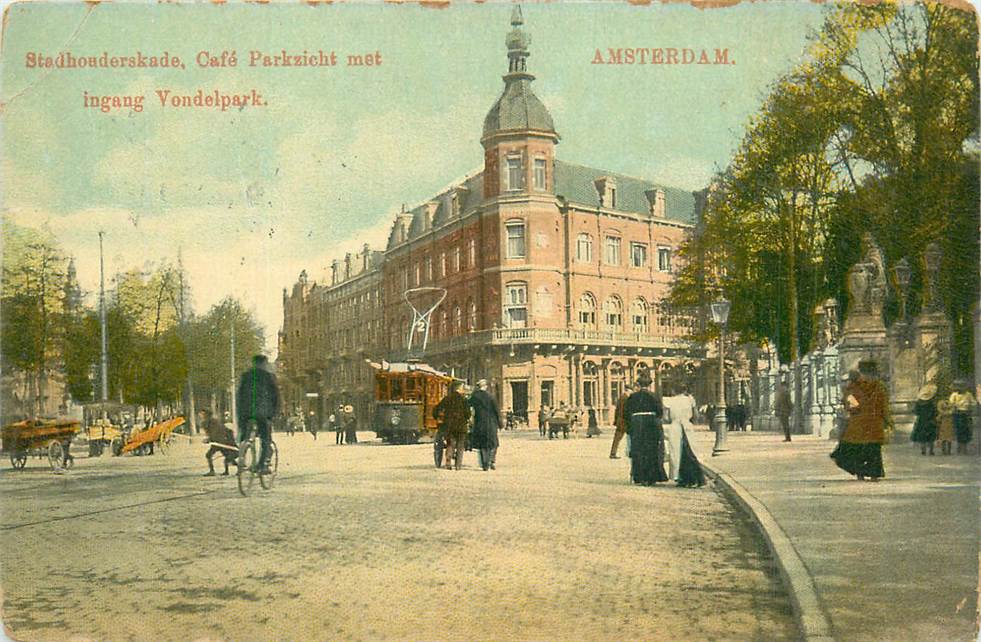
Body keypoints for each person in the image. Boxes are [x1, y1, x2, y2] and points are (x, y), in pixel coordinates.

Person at [830, 359, 888, 481]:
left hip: (859, 423)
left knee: (857, 449)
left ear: (861, 371)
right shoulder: (879, 387)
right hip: (874, 423)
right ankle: (874, 474)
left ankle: (860, 473)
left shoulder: (854, 387)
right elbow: (884, 406)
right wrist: (886, 420)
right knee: (874, 450)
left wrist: (850, 406)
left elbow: (852, 406)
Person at [236, 354, 280, 474]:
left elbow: (239, 395)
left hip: (246, 413)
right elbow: (275, 396)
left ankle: (242, 454)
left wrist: (240, 415)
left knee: (244, 435)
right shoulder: (269, 377)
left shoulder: (246, 376)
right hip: (263, 414)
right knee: (265, 439)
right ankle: (262, 465)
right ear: (264, 364)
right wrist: (274, 414)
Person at [624, 370, 669, 485]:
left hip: (637, 423)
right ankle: (651, 476)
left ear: (638, 385)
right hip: (651, 424)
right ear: (649, 385)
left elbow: (627, 413)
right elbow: (659, 412)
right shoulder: (654, 396)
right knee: (651, 449)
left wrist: (629, 428)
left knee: (638, 449)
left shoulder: (632, 397)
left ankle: (639, 476)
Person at [662, 383, 705, 488]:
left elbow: (666, 418)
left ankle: (681, 477)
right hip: (687, 426)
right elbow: (696, 416)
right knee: (690, 451)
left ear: (674, 390)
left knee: (676, 453)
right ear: (684, 390)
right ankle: (694, 477)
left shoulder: (669, 401)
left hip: (675, 427)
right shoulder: (690, 400)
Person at [434, 380, 471, 470]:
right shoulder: (464, 400)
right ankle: (458, 465)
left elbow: (436, 409)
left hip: (449, 426)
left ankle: (448, 463)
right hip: (461, 426)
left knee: (450, 444)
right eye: (462, 388)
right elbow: (468, 414)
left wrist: (438, 417)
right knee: (460, 445)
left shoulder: (447, 398)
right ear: (459, 388)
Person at [469, 379, 501, 471]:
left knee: (482, 444)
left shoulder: (474, 396)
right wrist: (500, 423)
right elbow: (497, 411)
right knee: (493, 443)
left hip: (479, 423)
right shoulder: (491, 397)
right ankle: (492, 461)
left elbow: (468, 404)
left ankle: (485, 464)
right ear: (486, 386)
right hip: (491, 423)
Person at [201, 408, 237, 476]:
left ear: (207, 414)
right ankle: (228, 471)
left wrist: (209, 439)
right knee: (227, 456)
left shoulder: (213, 421)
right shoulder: (207, 422)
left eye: (203, 414)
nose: (201, 415)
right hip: (219, 441)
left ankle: (212, 471)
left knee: (208, 455)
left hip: (220, 442)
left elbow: (215, 432)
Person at [948, 379, 976, 455]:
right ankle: (959, 446)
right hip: (957, 414)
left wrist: (969, 407)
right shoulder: (954, 395)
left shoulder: (968, 394)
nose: (960, 389)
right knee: (958, 430)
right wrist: (955, 406)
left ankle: (964, 447)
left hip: (966, 414)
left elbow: (973, 403)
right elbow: (950, 404)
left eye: (962, 387)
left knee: (966, 430)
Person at [910, 384, 938, 456]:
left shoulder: (918, 403)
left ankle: (923, 450)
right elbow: (935, 412)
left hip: (921, 420)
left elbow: (916, 412)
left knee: (922, 436)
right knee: (931, 436)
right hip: (931, 420)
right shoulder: (931, 403)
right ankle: (931, 450)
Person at [610, 386, 632, 459]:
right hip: (624, 421)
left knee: (617, 438)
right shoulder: (625, 398)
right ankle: (630, 452)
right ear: (628, 390)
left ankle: (613, 453)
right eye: (630, 391)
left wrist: (616, 420)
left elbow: (617, 410)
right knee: (629, 437)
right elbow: (625, 411)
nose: (631, 392)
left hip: (621, 421)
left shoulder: (622, 397)